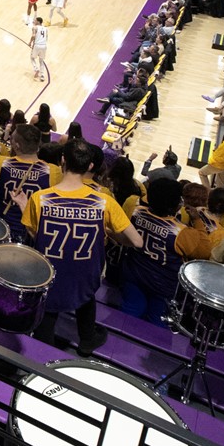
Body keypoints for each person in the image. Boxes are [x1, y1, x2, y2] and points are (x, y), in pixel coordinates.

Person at [24, 138, 142, 353]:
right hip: (85, 272)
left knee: (47, 317)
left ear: (62, 161)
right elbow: (137, 241)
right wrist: (110, 235)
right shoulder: (104, 201)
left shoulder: (39, 198)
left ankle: (42, 359)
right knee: (86, 298)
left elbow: (33, 233)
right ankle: (87, 340)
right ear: (90, 166)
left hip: (49, 272)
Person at [120, 177, 214, 324]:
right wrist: (197, 221)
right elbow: (204, 252)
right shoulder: (181, 232)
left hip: (134, 275)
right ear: (176, 206)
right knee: (156, 324)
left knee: (129, 313)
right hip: (163, 286)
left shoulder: (136, 211)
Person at [0, 123, 56, 239]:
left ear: (17, 145)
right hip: (31, 229)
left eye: (12, 138)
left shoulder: (1, 162)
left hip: (3, 224)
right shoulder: (52, 171)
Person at [28, 16, 49, 81]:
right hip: (44, 46)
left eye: (35, 20)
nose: (34, 21)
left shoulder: (35, 27)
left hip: (37, 45)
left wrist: (30, 42)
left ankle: (36, 69)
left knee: (32, 58)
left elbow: (33, 36)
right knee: (41, 61)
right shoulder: (46, 29)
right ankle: (42, 76)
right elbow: (46, 38)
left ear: (38, 22)